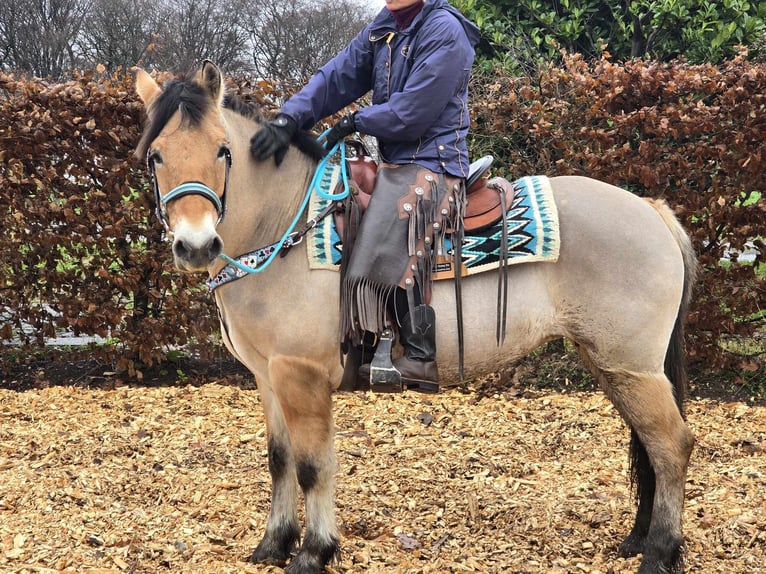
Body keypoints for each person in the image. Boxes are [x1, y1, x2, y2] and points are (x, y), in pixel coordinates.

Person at [251, 0, 479, 392]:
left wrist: (356, 120)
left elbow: (412, 112)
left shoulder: (445, 29)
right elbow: (337, 76)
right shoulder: (385, 25)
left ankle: (419, 358)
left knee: (385, 234)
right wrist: (290, 118)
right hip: (395, 160)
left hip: (435, 161)